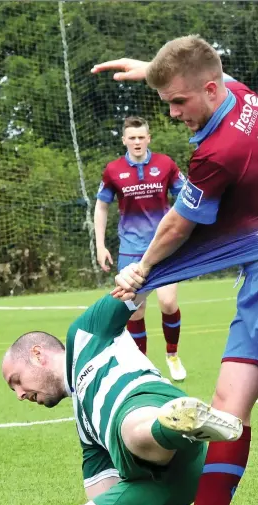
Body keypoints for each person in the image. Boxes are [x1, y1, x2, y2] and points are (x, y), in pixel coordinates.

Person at [91, 34, 258, 505]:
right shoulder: (242, 97)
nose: (173, 115)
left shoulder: (217, 153)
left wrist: (140, 270)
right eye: (167, 104)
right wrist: (157, 70)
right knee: (229, 404)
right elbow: (210, 72)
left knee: (231, 403)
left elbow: (179, 225)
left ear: (208, 90)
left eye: (179, 103)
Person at [0, 291, 242, 505]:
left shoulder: (85, 333)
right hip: (164, 484)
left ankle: (178, 424)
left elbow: (136, 287)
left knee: (129, 430)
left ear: (37, 354)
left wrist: (141, 268)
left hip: (146, 404)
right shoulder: (85, 427)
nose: (20, 395)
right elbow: (105, 498)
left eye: (17, 381)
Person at [94, 115, 186, 381]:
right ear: (124, 140)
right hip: (132, 250)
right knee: (135, 309)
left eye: (141, 137)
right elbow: (101, 206)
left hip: (166, 246)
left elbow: (185, 198)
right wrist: (100, 246)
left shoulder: (165, 164)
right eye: (131, 137)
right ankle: (143, 367)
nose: (136, 142)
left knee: (168, 303)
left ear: (149, 138)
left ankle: (172, 355)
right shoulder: (113, 170)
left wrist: (187, 232)